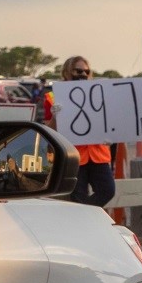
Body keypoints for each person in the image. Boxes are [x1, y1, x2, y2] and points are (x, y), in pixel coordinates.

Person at [41, 56, 116, 207]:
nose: (83, 74)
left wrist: (111, 135)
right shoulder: (52, 97)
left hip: (99, 155)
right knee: (78, 196)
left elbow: (110, 121)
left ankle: (84, 214)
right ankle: (84, 221)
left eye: (87, 71)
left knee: (107, 190)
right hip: (73, 156)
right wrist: (55, 117)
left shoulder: (98, 94)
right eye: (78, 70)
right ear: (67, 72)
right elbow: (48, 132)